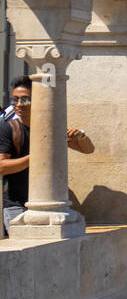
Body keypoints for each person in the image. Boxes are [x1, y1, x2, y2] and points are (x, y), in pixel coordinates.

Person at [0, 75, 95, 237]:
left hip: (51, 206)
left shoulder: (51, 128)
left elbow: (88, 149)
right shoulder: (8, 129)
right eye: (15, 100)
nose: (19, 105)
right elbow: (2, 166)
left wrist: (80, 136)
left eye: (25, 100)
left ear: (38, 100)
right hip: (15, 206)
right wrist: (37, 156)